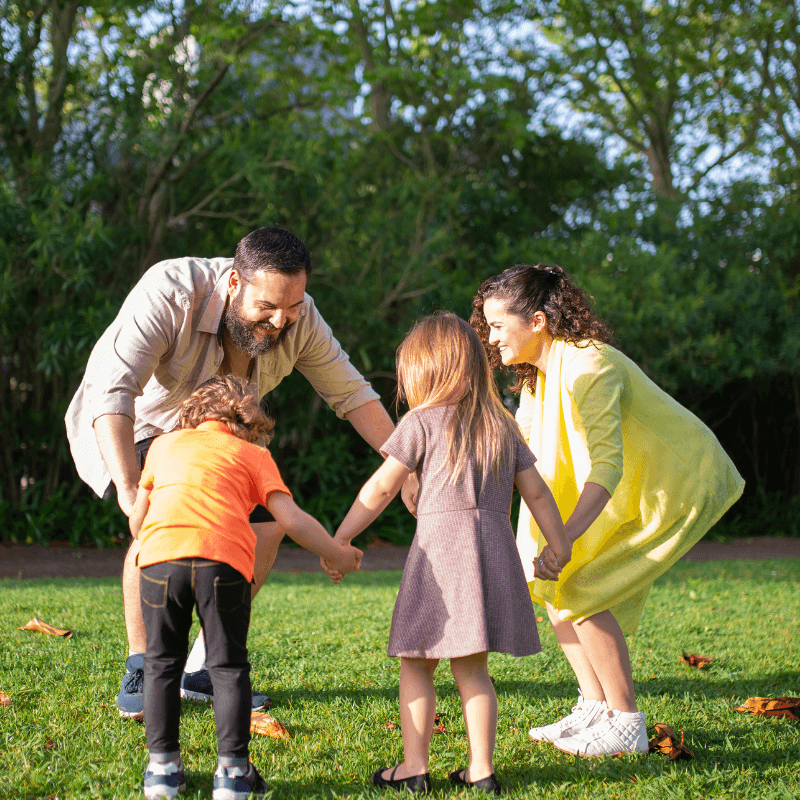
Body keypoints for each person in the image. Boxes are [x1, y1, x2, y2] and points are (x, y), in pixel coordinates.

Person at [65, 226, 410, 720]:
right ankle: (143, 664)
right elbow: (113, 390)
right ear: (233, 283)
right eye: (268, 307)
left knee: (264, 529)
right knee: (163, 516)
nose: (280, 321)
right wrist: (127, 486)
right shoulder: (173, 290)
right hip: (145, 427)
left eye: (292, 308)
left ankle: (202, 667)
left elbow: (352, 395)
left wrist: (405, 464)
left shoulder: (299, 318)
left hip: (228, 442)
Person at [470, 264, 745, 758]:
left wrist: (565, 539)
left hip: (674, 485)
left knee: (580, 582)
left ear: (537, 322)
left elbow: (608, 465)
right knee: (551, 582)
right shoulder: (536, 376)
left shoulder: (589, 366)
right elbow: (521, 449)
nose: (489, 339)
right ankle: (594, 706)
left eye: (496, 326)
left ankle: (626, 723)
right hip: (621, 489)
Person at [324, 312, 572, 795]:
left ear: (422, 371)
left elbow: (379, 490)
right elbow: (538, 494)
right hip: (491, 556)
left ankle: (413, 767)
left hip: (440, 558)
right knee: (474, 669)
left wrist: (340, 540)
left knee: (417, 662)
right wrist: (557, 548)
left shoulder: (420, 423)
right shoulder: (501, 425)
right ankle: (481, 771)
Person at [130, 376, 362, 800]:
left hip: (161, 562)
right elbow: (290, 519)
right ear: (251, 425)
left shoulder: (163, 446)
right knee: (227, 666)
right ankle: (233, 773)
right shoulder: (254, 454)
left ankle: (162, 771)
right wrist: (336, 554)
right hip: (224, 563)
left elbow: (136, 520)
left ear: (194, 414)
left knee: (161, 662)